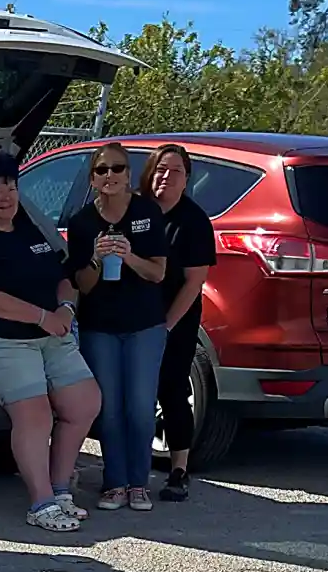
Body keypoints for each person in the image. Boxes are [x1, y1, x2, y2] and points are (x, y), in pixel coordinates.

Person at [0, 152, 101, 533]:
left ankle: (62, 489)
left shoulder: (32, 232)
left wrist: (66, 307)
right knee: (35, 414)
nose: (6, 196)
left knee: (84, 402)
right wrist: (42, 317)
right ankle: (41, 501)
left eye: (12, 188)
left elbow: (63, 277)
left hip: (49, 332)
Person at [65, 142, 169, 512]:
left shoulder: (147, 212)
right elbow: (82, 285)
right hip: (100, 326)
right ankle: (115, 482)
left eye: (118, 169)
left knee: (140, 407)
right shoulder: (81, 223)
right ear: (93, 179)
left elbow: (158, 272)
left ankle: (139, 483)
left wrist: (128, 255)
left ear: (129, 175)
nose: (110, 176)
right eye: (102, 170)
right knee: (108, 407)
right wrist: (96, 257)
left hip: (144, 325)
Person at [143, 144, 216, 502]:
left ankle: (179, 470)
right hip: (131, 318)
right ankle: (128, 471)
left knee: (172, 390)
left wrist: (167, 325)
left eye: (175, 171)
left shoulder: (193, 222)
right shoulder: (137, 211)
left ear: (187, 179)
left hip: (175, 319)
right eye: (160, 169)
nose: (166, 177)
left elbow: (194, 282)